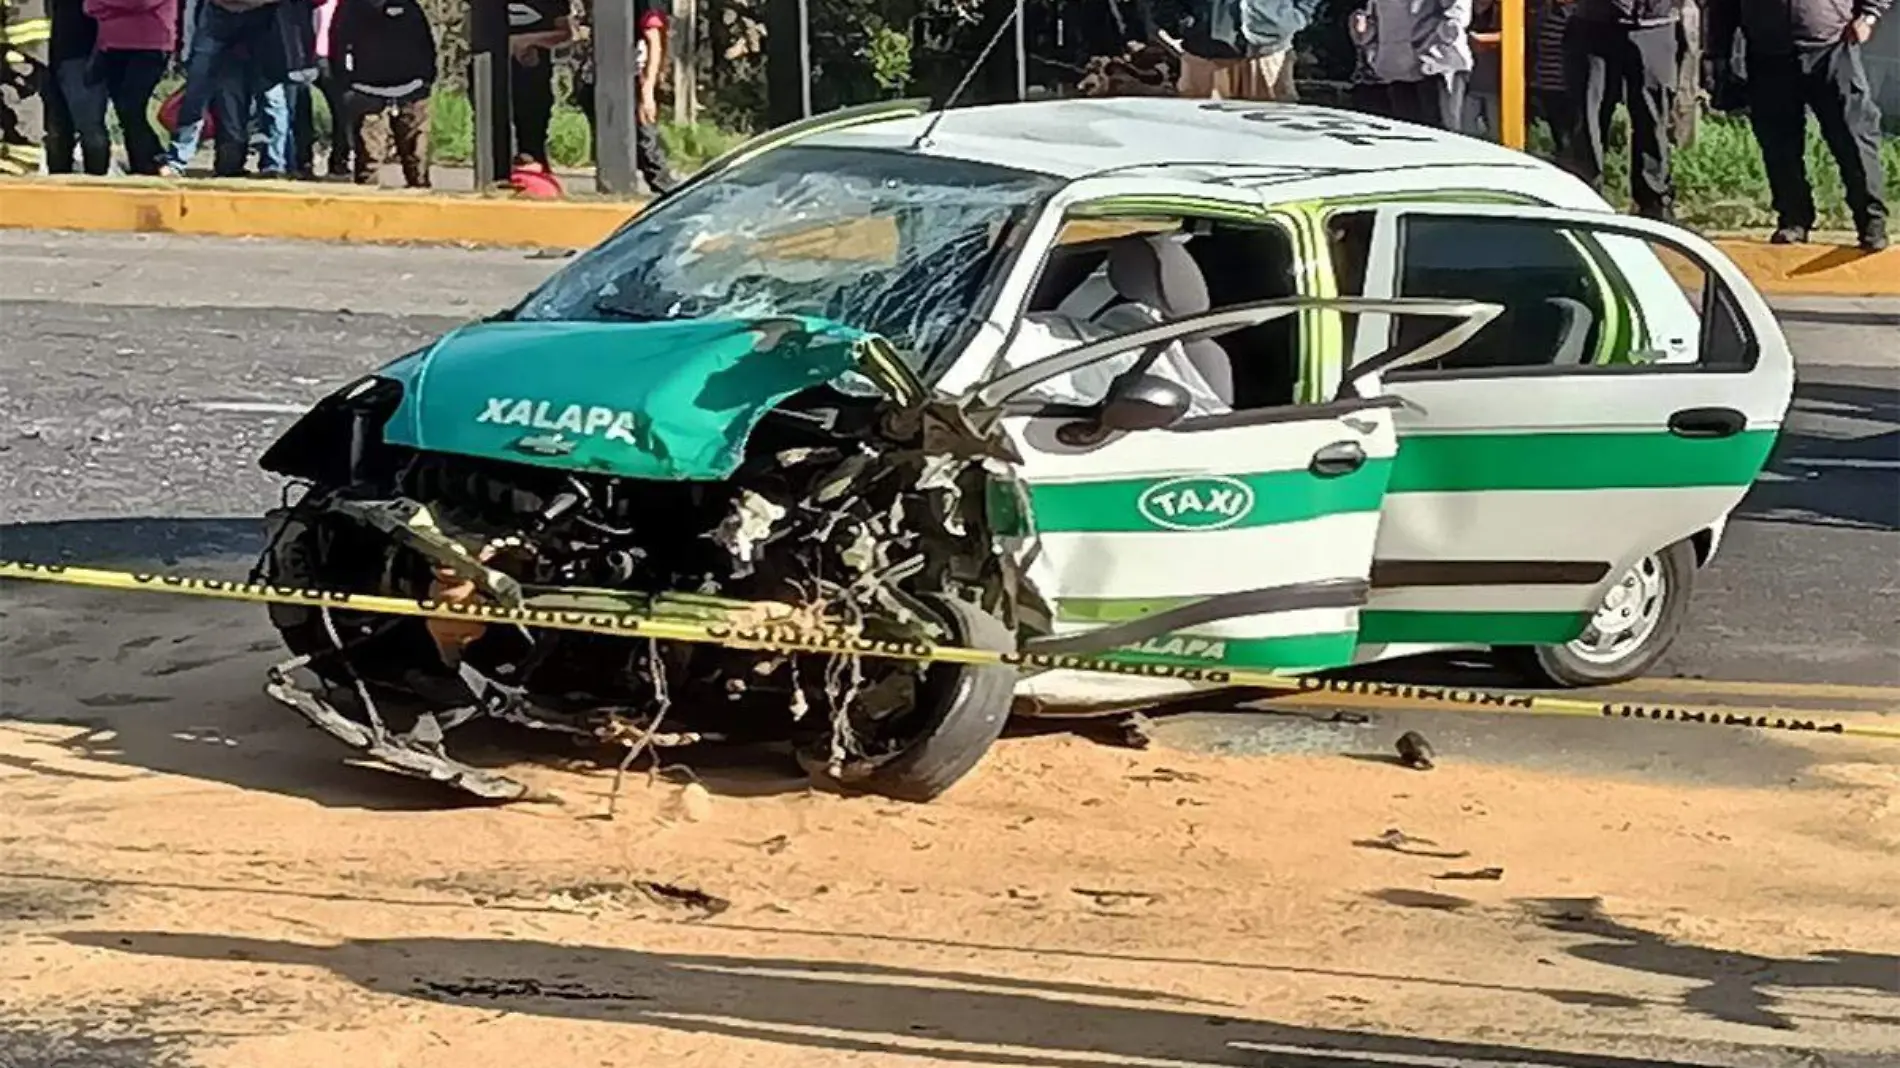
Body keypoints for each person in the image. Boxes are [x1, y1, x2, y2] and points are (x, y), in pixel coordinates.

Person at [1707, 0, 1889, 250]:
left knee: (1854, 139)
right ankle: (1793, 220)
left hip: (1832, 46)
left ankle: (1871, 221)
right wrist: (1720, 55)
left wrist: (1869, 16)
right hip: (1767, 53)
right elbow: (1721, 7)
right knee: (1778, 145)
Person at [1561, 0, 1681, 222]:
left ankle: (1655, 205)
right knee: (1587, 118)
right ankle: (1583, 202)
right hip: (1592, 24)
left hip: (1654, 25)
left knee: (1652, 118)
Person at [568, 0, 677, 194]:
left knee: (645, 139)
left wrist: (647, 91)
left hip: (631, 78)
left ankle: (666, 189)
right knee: (612, 140)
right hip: (597, 76)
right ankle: (619, 186)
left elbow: (654, 42)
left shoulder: (642, 5)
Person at [327, 0, 433, 187]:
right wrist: (346, 81)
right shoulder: (352, 7)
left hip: (412, 90)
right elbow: (337, 44)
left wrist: (426, 79)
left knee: (417, 158)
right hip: (367, 91)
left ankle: (423, 204)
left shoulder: (409, 6)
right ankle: (365, 210)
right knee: (369, 159)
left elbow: (425, 42)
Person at [1347, 0, 1473, 129]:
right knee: (1403, 132)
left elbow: (1455, 16)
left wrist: (1430, 50)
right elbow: (1373, 20)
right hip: (1393, 68)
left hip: (1435, 68)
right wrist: (1369, 45)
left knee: (1439, 133)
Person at [83, 0, 175, 174]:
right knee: (123, 111)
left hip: (151, 45)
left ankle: (155, 159)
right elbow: (89, 6)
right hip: (111, 46)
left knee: (130, 106)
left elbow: (143, 3)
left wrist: (107, 6)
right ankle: (140, 164)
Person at [1166, 0, 1320, 100]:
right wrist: (1180, 21)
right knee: (1201, 128)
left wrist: (1298, 16)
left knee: (1275, 132)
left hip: (1270, 50)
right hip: (1205, 49)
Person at [506, 0, 571, 167]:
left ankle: (534, 171)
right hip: (493, 74)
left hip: (532, 76)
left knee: (532, 140)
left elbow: (565, 33)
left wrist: (526, 41)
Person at [46, 0, 106, 174]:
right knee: (56, 129)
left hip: (81, 53)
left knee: (90, 127)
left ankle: (98, 184)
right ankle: (57, 186)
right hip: (47, 54)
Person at [292, 0, 348, 177]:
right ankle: (304, 161)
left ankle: (339, 161)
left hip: (332, 57)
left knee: (343, 111)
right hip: (307, 55)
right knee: (300, 109)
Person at [1, 0, 51, 175]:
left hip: (21, 47)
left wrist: (22, 55)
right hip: (15, 46)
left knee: (19, 99)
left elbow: (28, 22)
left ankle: (22, 163)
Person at [1529, 0, 1575, 153]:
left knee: (1565, 133)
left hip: (1564, 85)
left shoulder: (1574, 16)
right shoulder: (1544, 13)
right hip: (1542, 82)